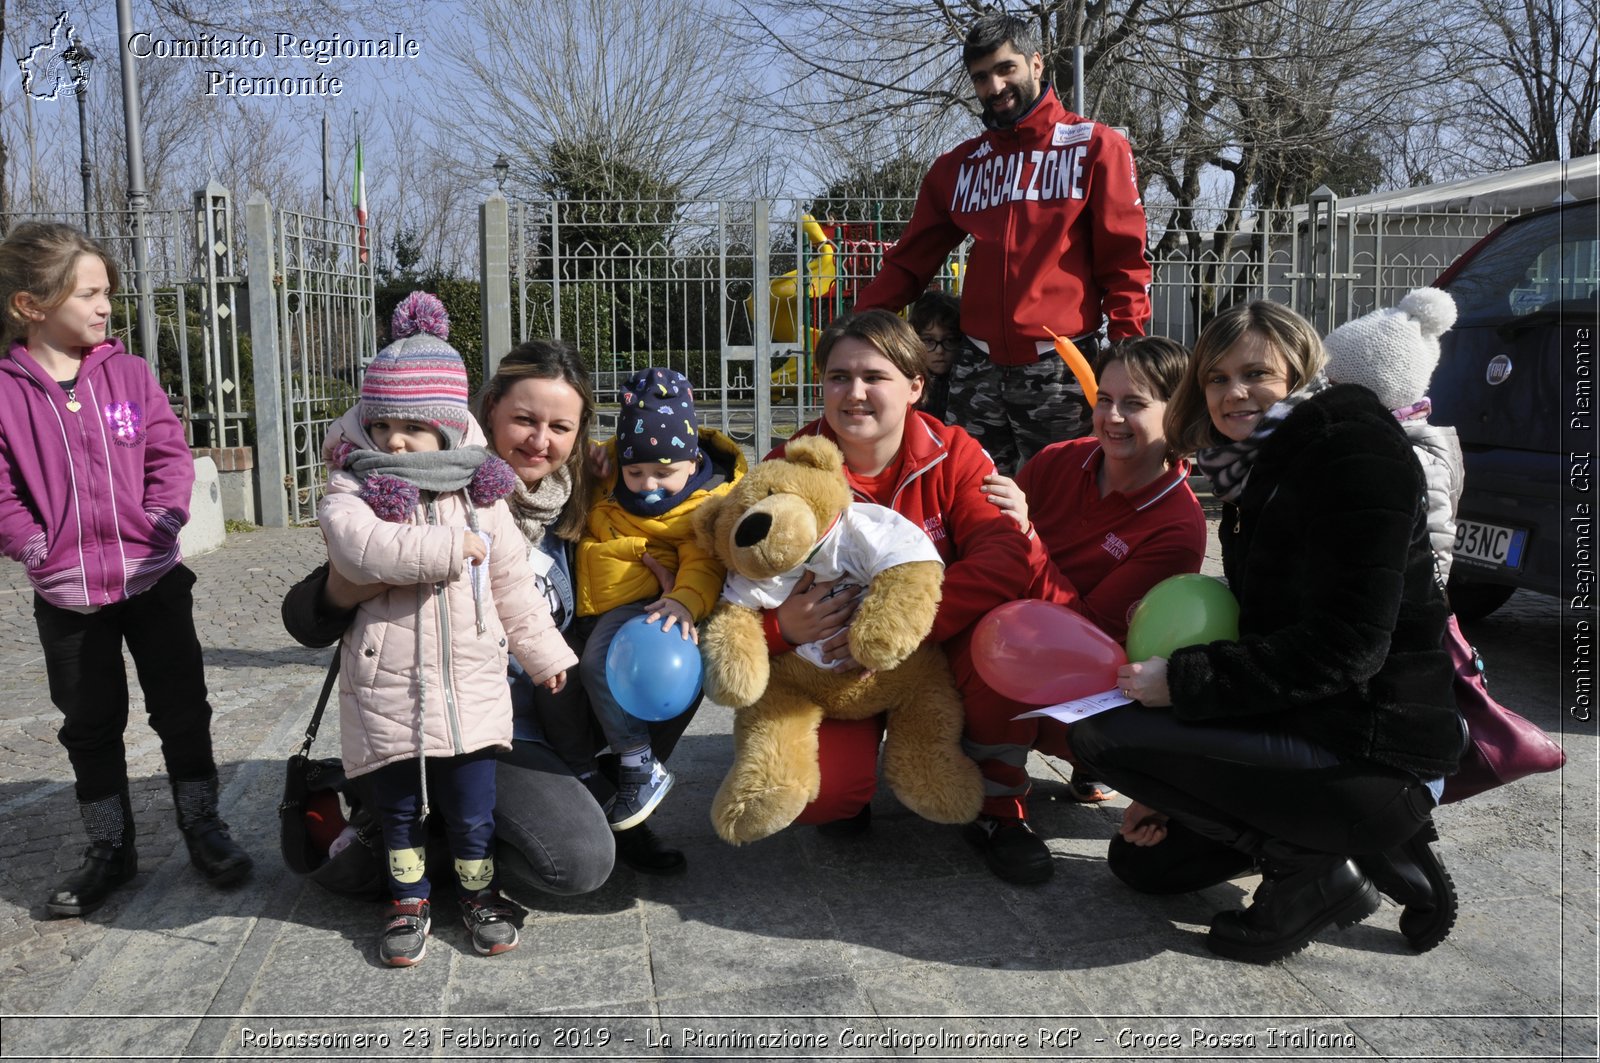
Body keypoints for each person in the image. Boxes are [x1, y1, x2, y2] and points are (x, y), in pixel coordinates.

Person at [1072, 301, 1465, 963]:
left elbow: (1350, 646)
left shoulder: (1352, 448)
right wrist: (1171, 788)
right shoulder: (1260, 463)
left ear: (1302, 372)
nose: (1234, 393)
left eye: (1257, 373)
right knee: (1142, 865)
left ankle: (1315, 871)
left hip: (1373, 743)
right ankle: (1358, 841)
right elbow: (1270, 617)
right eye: (1218, 378)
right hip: (1312, 722)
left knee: (1101, 735)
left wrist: (1184, 683)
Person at [283, 339, 690, 893]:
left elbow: (693, 488)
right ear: (488, 409)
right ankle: (440, 831)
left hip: (554, 714)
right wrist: (343, 588)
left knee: (690, 637)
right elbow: (304, 619)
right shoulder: (428, 482)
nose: (539, 441)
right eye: (524, 419)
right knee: (579, 860)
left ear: (580, 437)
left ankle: (617, 802)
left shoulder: (585, 504)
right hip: (462, 722)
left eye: (561, 428)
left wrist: (666, 592)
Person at [316, 293, 577, 966]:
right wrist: (442, 550)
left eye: (413, 425)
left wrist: (543, 649)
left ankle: (479, 892)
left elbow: (515, 585)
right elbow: (358, 550)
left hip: (471, 693)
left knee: (471, 811)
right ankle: (406, 898)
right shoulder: (355, 487)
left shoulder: (482, 497)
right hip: (388, 693)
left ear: (448, 427)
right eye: (384, 422)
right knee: (400, 811)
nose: (396, 440)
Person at [0, 222, 252, 918]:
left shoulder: (130, 374)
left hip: (153, 580)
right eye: (88, 293)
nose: (105, 304)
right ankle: (110, 848)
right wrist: (33, 547)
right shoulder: (6, 392)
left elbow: (168, 455)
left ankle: (204, 825)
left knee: (182, 706)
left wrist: (165, 521)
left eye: (107, 291)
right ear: (30, 304)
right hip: (68, 595)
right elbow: (1, 491)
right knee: (89, 721)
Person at [762, 309, 1045, 883]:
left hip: (934, 646)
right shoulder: (786, 468)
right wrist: (782, 629)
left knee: (1009, 634)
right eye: (839, 377)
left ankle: (999, 804)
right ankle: (856, 780)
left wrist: (891, 626)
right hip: (835, 663)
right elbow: (741, 579)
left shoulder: (958, 454)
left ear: (916, 385)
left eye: (875, 376)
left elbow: (1001, 558)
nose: (855, 393)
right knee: (823, 802)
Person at [854, 11, 1152, 474]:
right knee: (970, 498)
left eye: (1004, 68)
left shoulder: (1097, 147)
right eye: (980, 77)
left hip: (1062, 369)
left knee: (1064, 501)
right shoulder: (959, 166)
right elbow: (909, 264)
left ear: (1036, 64)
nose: (994, 86)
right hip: (976, 371)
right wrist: (853, 328)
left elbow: (1125, 263)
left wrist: (1129, 347)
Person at [978, 337, 1206, 802]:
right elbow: (989, 547)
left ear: (1178, 413)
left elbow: (1090, 632)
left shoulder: (1177, 526)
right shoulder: (1058, 459)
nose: (1112, 417)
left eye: (1134, 404)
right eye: (1104, 399)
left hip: (1094, 678)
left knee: (1025, 682)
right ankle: (994, 771)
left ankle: (1017, 788)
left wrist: (1027, 538)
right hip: (1014, 631)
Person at [573, 367, 744, 830]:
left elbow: (703, 562)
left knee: (596, 666)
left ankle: (637, 762)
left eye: (664, 473)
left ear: (691, 464)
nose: (648, 484)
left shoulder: (696, 508)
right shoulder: (609, 483)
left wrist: (685, 601)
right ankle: (617, 782)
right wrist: (587, 462)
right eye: (637, 471)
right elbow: (582, 474)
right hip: (596, 603)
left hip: (646, 607)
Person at [1323, 288, 1463, 586]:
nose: (1324, 394)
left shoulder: (1417, 457)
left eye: (1334, 385)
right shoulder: (1353, 436)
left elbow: (1434, 545)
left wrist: (1427, 604)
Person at [908, 290, 961, 422]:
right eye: (929, 341)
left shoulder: (966, 382)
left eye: (949, 340)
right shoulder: (907, 381)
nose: (939, 351)